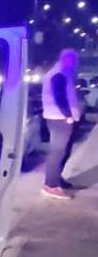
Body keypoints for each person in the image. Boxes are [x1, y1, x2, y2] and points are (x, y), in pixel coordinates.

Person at [41, 48, 82, 200]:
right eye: (74, 60)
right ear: (67, 59)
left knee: (63, 151)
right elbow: (60, 97)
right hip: (59, 119)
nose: (76, 64)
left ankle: (57, 180)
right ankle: (50, 185)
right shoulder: (58, 74)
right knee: (57, 152)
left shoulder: (62, 73)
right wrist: (68, 116)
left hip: (61, 118)